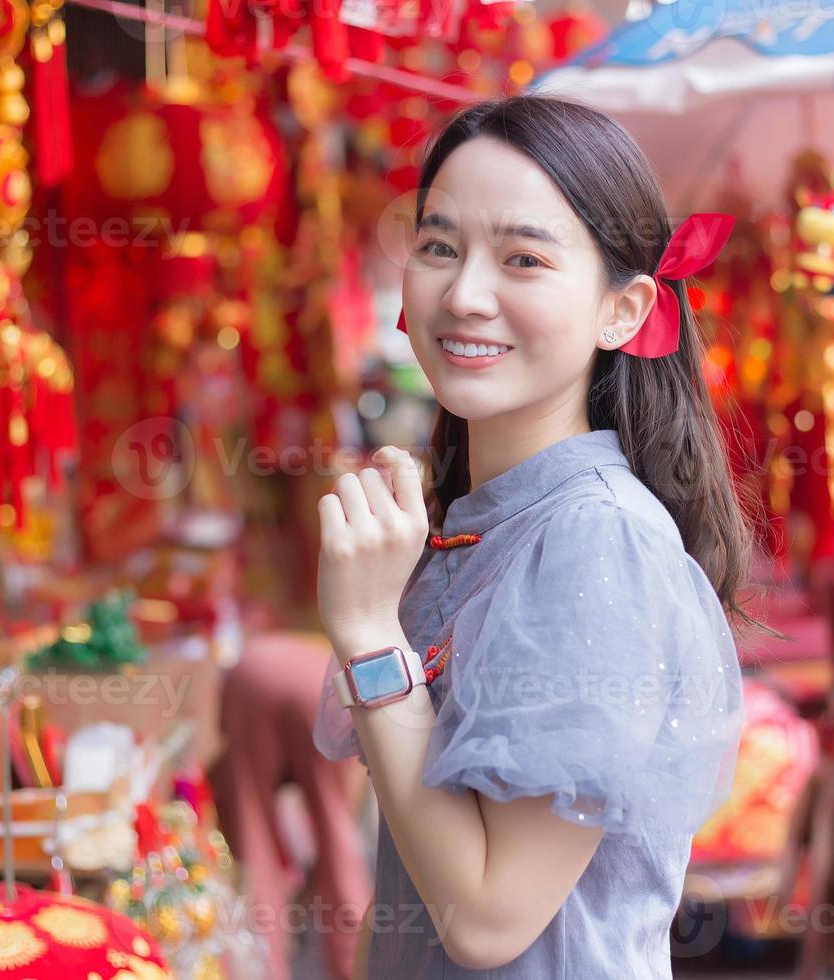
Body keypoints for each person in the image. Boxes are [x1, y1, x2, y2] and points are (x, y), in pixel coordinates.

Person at [312, 94, 750, 978]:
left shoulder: (595, 541)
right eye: (439, 247)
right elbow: (413, 885)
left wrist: (368, 636)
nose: (465, 294)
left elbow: (484, 920)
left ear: (622, 311)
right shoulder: (487, 523)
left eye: (523, 258)